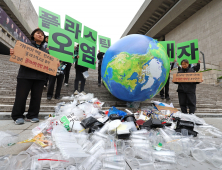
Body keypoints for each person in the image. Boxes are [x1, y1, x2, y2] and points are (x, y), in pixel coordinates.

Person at [10, 28, 59, 125]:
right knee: (21, 97)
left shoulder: (46, 52)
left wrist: (55, 65)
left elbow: (49, 65)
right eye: (38, 33)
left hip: (40, 78)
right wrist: (13, 52)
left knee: (37, 98)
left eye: (42, 34)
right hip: (25, 76)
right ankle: (18, 116)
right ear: (33, 35)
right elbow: (18, 55)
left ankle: (32, 115)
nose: (40, 35)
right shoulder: (25, 46)